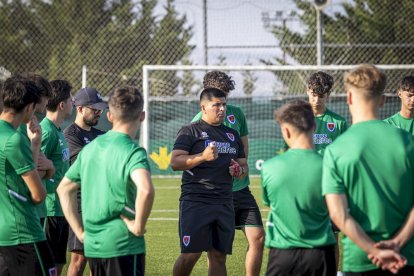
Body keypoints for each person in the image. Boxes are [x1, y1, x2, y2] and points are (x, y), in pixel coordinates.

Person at [323, 64, 414, 275]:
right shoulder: (409, 143)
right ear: (383, 100)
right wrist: (398, 243)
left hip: (360, 259)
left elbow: (338, 215)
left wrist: (373, 250)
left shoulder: (336, 150)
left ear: (348, 98)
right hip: (405, 256)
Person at [58, 86, 154, 276]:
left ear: (110, 117)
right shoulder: (133, 152)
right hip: (124, 244)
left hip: (95, 245)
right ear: (142, 116)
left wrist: (81, 232)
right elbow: (146, 190)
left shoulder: (90, 148)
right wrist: (138, 226)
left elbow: (63, 189)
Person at [191, 71, 264, 276]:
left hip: (240, 190)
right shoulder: (197, 122)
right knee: (216, 253)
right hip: (216, 194)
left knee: (258, 237)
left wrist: (240, 169)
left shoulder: (237, 114)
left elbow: (244, 156)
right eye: (217, 97)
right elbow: (191, 160)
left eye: (225, 96)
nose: (222, 105)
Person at [172, 87, 248, 276]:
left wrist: (239, 171)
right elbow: (175, 162)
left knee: (219, 256)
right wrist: (202, 157)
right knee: (191, 254)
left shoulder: (232, 135)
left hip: (224, 202)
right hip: (196, 201)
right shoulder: (190, 131)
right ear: (203, 107)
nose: (222, 109)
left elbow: (244, 165)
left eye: (224, 104)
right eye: (217, 105)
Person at [261, 100, 336, 276]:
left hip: (282, 255)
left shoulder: (269, 167)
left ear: (285, 131)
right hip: (321, 254)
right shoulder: (329, 167)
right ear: (314, 126)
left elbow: (270, 204)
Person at [0, 76, 56, 275]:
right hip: (23, 232)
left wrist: (34, 144)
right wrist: (49, 171)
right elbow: (38, 195)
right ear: (29, 107)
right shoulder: (14, 139)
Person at [63, 87, 107, 276]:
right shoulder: (70, 134)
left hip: (100, 202)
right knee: (79, 258)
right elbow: (87, 162)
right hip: (80, 201)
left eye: (100, 109)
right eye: (94, 108)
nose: (99, 112)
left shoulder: (100, 134)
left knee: (99, 258)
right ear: (80, 109)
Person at [40, 79, 73, 274]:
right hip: (49, 209)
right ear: (62, 105)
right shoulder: (46, 132)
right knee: (47, 267)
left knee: (58, 264)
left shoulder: (58, 131)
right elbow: (34, 167)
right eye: (70, 99)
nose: (72, 103)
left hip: (61, 208)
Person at [306, 71, 347, 155]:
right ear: (307, 91)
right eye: (313, 95)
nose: (316, 100)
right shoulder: (298, 120)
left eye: (321, 96)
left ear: (328, 94)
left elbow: (344, 153)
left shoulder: (339, 122)